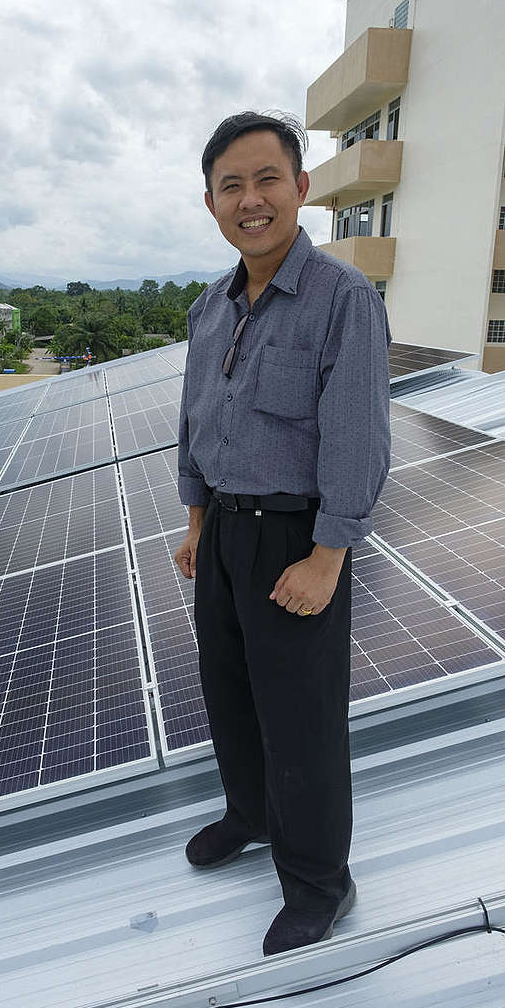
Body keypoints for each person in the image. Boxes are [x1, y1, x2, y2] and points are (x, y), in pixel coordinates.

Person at [173, 111, 391, 957]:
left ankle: (317, 884)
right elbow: (193, 424)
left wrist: (328, 556)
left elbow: (356, 439)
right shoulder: (208, 306)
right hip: (223, 531)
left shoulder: (342, 300)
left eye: (267, 179)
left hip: (296, 539)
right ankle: (249, 816)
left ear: (301, 188)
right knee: (228, 689)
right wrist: (196, 524)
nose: (250, 199)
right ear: (210, 201)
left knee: (300, 716)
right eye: (231, 185)